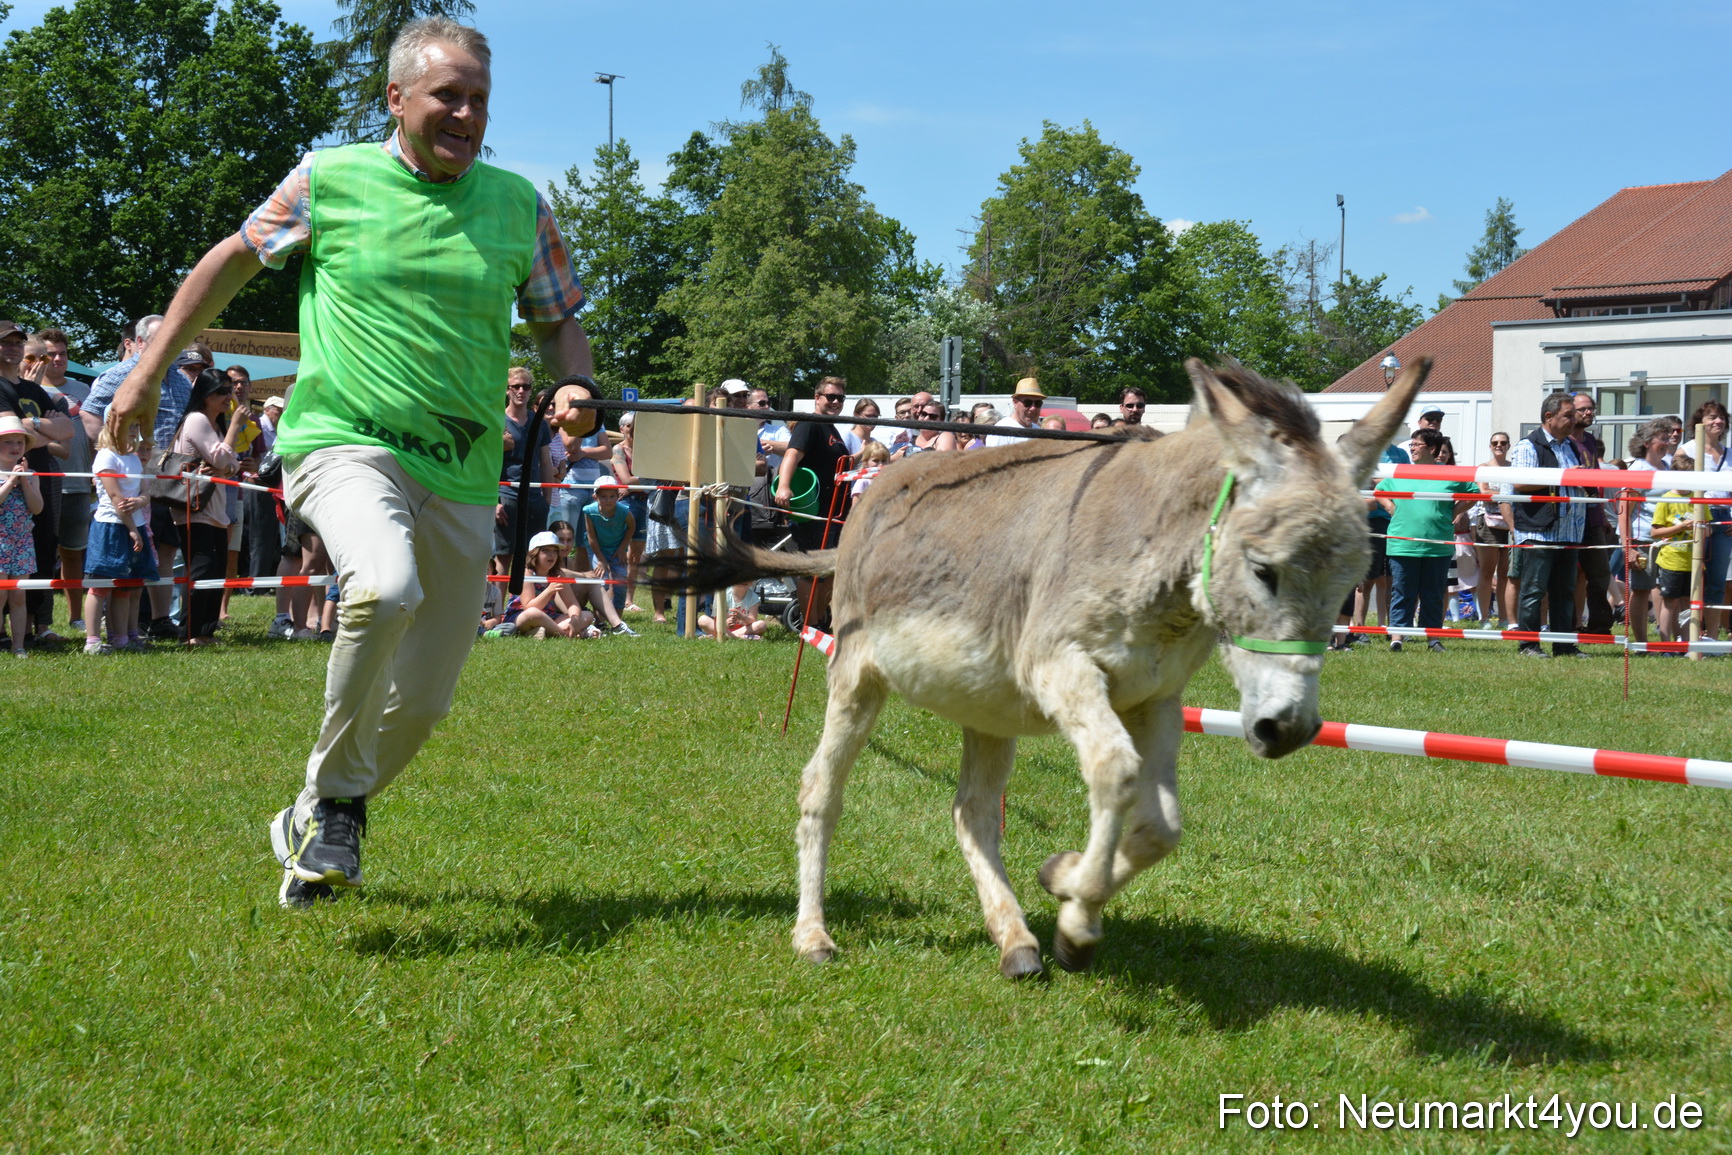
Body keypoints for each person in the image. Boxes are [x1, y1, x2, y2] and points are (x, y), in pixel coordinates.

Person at [104, 17, 595, 908]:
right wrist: (144, 376)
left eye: (480, 99)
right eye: (448, 94)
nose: (466, 113)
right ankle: (337, 805)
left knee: (426, 702)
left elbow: (559, 318)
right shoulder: (329, 179)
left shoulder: (519, 204)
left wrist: (578, 385)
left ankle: (311, 813)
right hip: (345, 442)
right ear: (397, 99)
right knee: (383, 585)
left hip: (464, 468)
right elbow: (227, 264)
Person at [0, 320, 74, 644]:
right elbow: (12, 433)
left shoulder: (33, 390)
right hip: (6, 482)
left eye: (18, 342)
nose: (14, 348)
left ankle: (32, 627)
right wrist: (41, 429)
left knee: (41, 550)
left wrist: (29, 428)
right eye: (7, 343)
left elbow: (67, 431)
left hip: (38, 479)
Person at [1502, 393, 1586, 657]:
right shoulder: (1529, 445)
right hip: (1538, 532)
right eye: (1569, 415)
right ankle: (1528, 645)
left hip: (1569, 531)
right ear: (1549, 417)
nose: (1575, 420)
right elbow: (1520, 483)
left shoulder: (1570, 446)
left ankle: (1564, 646)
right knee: (1533, 591)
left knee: (1564, 592)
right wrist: (1564, 477)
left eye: (1575, 415)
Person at [1375, 429, 1475, 651]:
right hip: (1402, 544)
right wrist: (1390, 506)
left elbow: (1474, 493)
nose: (1411, 448)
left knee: (1433, 594)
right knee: (1402, 592)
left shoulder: (1450, 473)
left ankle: (1433, 639)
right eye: (1411, 444)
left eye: (1417, 445)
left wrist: (1454, 512)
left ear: (1431, 449)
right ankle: (1397, 638)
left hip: (1437, 545)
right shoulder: (1401, 471)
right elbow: (1379, 490)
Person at [169, 370, 244, 645]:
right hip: (193, 507)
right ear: (207, 394)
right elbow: (223, 459)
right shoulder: (197, 419)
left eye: (231, 389)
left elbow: (232, 464)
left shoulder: (214, 424)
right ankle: (189, 633)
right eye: (223, 391)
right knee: (202, 570)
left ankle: (205, 631)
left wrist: (226, 465)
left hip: (214, 508)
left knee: (216, 569)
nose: (229, 396)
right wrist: (235, 427)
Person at [775, 376, 850, 625]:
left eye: (840, 398)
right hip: (813, 511)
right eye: (831, 397)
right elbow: (791, 455)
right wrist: (784, 486)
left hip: (835, 512)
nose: (836, 402)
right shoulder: (810, 423)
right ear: (817, 398)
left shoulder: (832, 428)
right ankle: (809, 626)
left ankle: (820, 623)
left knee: (830, 569)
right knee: (811, 571)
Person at [83, 415, 157, 655]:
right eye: (129, 427)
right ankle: (92, 641)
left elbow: (145, 492)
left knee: (125, 586)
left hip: (133, 527)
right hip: (111, 527)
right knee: (100, 587)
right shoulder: (106, 456)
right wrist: (134, 530)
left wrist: (140, 500)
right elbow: (116, 499)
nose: (134, 431)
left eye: (136, 426)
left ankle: (121, 639)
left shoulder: (134, 460)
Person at [1677, 400, 1731, 640]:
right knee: (1692, 578)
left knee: (1717, 580)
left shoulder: (1729, 453)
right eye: (1711, 417)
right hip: (1696, 518)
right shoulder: (1686, 450)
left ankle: (1712, 636)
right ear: (1699, 422)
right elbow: (1680, 488)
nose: (1718, 421)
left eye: (1721, 417)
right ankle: (1689, 633)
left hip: (1723, 520)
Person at [1619, 420, 1671, 646]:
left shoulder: (1667, 467)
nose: (1667, 442)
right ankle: (1640, 642)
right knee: (1640, 591)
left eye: (1668, 438)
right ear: (1648, 442)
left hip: (1666, 540)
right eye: (1663, 438)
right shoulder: (1639, 468)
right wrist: (1628, 545)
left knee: (1664, 590)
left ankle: (1665, 638)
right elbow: (1623, 509)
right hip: (1642, 538)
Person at [495, 366, 554, 570]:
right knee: (503, 559)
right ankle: (496, 604)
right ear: (507, 389)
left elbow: (546, 462)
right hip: (506, 497)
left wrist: (547, 499)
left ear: (531, 390)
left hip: (535, 498)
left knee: (534, 558)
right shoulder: (495, 421)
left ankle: (527, 603)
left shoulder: (541, 424)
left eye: (526, 386)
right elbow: (485, 465)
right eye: (516, 386)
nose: (521, 391)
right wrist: (494, 501)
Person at [1568, 391, 1615, 634]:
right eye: (1583, 409)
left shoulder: (1589, 441)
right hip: (1566, 520)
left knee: (1599, 574)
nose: (1588, 413)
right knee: (1566, 576)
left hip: (1593, 519)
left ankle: (1599, 627)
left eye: (1591, 409)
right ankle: (1566, 624)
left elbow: (1595, 482)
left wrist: (1603, 514)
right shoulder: (1563, 441)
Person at [0, 415, 42, 656]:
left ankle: (18, 646)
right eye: (9, 442)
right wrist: (11, 481)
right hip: (0, 541)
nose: (16, 448)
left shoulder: (32, 474)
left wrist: (24, 481)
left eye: (20, 442)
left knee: (18, 594)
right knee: (0, 592)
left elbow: (37, 508)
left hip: (22, 541)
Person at [1649, 453, 1698, 644]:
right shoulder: (1666, 499)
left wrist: (1701, 527)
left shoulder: (1698, 498)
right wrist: (1681, 527)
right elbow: (1655, 532)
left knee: (1687, 605)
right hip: (1671, 560)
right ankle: (1664, 642)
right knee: (1669, 603)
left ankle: (1686, 643)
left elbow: (1708, 529)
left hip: (1693, 562)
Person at [580, 474, 639, 633]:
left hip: (617, 549)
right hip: (598, 550)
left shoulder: (623, 511)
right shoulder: (590, 511)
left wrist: (622, 548)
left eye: (612, 496)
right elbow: (591, 538)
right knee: (601, 584)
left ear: (618, 496)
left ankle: (618, 623)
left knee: (620, 585)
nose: (608, 500)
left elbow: (632, 527)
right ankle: (599, 621)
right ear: (595, 496)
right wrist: (600, 560)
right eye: (604, 496)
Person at [1471, 432, 1516, 629]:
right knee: (1487, 572)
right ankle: (1484, 618)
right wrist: (1506, 494)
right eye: (1495, 443)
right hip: (1487, 523)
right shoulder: (1484, 467)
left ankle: (1505, 617)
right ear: (1490, 446)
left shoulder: (1514, 469)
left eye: (1503, 443)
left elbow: (1519, 492)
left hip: (1510, 524)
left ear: (1508, 446)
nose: (1499, 445)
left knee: (1506, 573)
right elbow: (1484, 492)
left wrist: (1497, 493)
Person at [985, 379, 1043, 448]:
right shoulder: (1001, 431)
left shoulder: (1038, 431)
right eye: (1027, 403)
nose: (1033, 408)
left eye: (1038, 403)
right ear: (1015, 402)